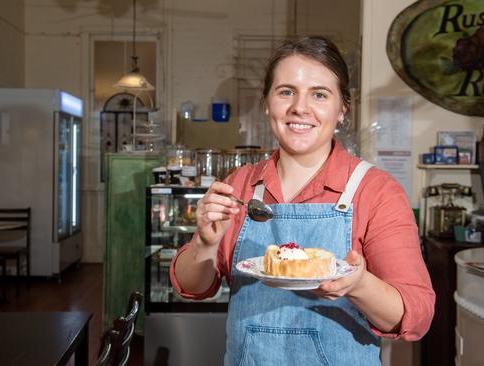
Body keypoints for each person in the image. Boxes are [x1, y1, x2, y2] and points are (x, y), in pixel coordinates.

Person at [170, 36, 435, 365]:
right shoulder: (240, 186)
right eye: (286, 92)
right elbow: (190, 286)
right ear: (267, 104)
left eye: (319, 94)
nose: (300, 108)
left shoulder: (376, 191)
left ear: (342, 110)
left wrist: (359, 284)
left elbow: (416, 315)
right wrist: (205, 244)